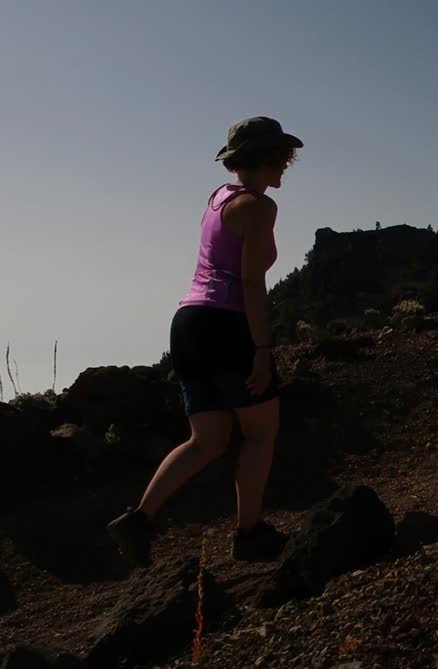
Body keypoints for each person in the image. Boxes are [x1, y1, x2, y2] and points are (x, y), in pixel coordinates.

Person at [107, 117, 303, 566]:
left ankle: (138, 521)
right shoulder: (257, 206)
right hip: (227, 324)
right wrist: (262, 351)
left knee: (207, 439)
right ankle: (249, 535)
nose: (287, 165)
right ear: (268, 156)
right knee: (260, 431)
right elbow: (252, 283)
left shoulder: (219, 197)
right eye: (283, 157)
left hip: (188, 323)